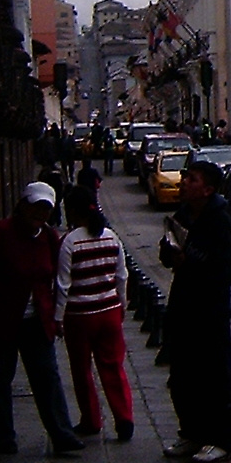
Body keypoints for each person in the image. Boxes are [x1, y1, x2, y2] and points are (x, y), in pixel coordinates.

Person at [0, 182, 85, 455]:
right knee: (1, 379)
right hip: (0, 320)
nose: (39, 214)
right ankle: (5, 437)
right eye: (35, 207)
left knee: (47, 376)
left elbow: (60, 279)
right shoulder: (1, 234)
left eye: (45, 209)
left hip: (36, 321)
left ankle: (62, 434)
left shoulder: (48, 238)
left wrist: (58, 315)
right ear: (23, 205)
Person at [159, 160, 231, 462]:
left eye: (191, 179)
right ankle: (191, 433)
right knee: (182, 374)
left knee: (213, 374)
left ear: (207, 189)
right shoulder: (182, 214)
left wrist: (189, 261)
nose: (183, 182)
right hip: (183, 305)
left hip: (210, 309)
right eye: (184, 177)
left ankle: (221, 438)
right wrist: (170, 254)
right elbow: (166, 252)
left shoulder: (219, 219)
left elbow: (226, 269)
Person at [55, 180, 134, 442]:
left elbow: (63, 284)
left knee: (82, 369)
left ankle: (91, 419)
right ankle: (124, 418)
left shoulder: (70, 242)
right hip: (109, 311)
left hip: (79, 316)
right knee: (113, 366)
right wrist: (121, 304)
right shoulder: (112, 237)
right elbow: (122, 275)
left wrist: (57, 317)